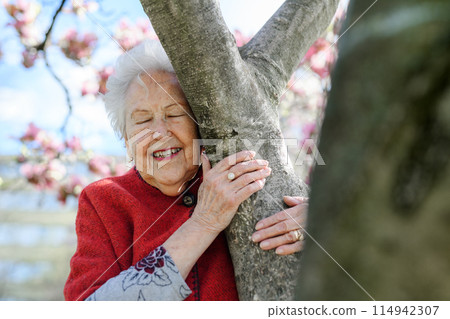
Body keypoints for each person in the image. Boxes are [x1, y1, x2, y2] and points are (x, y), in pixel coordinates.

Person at [64, 40, 308, 301]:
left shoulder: (235, 178)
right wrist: (204, 222)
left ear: (199, 126)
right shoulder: (103, 200)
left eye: (175, 113)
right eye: (143, 119)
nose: (160, 132)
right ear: (126, 139)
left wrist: (320, 228)